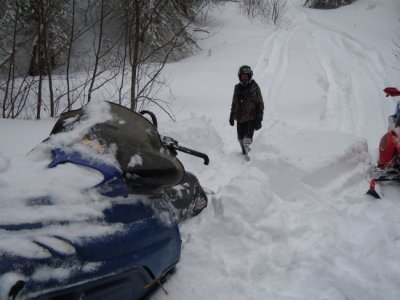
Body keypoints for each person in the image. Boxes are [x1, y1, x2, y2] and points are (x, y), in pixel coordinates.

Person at [229, 65, 264, 156]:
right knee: (240, 139)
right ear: (239, 77)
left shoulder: (254, 87)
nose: (244, 79)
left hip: (251, 118)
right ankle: (245, 154)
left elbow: (260, 104)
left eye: (246, 76)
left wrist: (259, 119)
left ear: (250, 76)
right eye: (242, 77)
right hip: (239, 118)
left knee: (246, 140)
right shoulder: (237, 88)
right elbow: (234, 102)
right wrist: (231, 115)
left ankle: (250, 160)